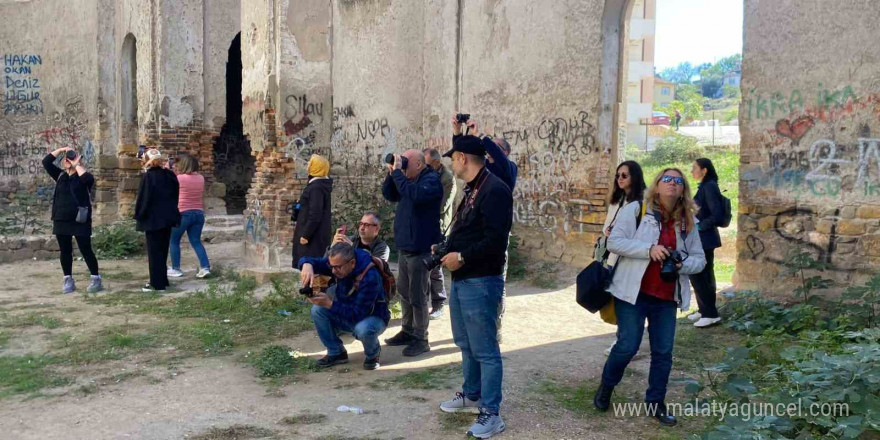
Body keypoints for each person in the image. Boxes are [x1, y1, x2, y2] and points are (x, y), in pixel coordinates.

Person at [593, 168, 706, 427]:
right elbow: (614, 242)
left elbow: (700, 260)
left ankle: (656, 403)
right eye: (667, 179)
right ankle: (606, 387)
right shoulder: (636, 210)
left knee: (663, 353)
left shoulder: (688, 221)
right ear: (657, 185)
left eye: (679, 181)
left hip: (666, 297)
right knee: (627, 346)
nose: (673, 184)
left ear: (684, 189)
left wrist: (681, 263)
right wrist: (648, 250)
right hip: (633, 293)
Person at [436, 135, 513, 439]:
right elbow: (468, 229)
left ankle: (492, 413)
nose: (451, 162)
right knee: (465, 343)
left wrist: (463, 256)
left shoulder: (494, 190)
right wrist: (445, 248)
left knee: (486, 350)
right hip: (464, 278)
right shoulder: (474, 188)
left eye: (453, 157)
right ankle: (471, 395)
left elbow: (496, 241)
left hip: (481, 279)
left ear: (463, 159)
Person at [452, 116, 518, 343]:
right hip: (473, 237)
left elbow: (494, 156)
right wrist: (460, 135)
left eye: (495, 149)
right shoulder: (485, 170)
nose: (489, 152)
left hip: (493, 235)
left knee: (494, 281)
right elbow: (466, 158)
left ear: (504, 153)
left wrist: (483, 138)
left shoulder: (508, 169)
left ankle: (495, 325)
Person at [381, 149, 443, 357]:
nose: (403, 167)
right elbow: (389, 194)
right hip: (405, 246)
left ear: (418, 164)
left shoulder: (431, 180)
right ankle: (407, 331)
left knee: (418, 295)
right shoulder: (406, 180)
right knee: (404, 292)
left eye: (407, 164)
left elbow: (415, 195)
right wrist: (392, 173)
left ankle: (421, 338)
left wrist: (399, 173)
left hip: (421, 247)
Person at [299, 242, 390, 370]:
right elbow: (315, 262)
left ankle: (372, 355)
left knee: (363, 329)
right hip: (348, 310)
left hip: (373, 317)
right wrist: (306, 264)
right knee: (317, 310)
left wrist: (329, 304)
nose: (333, 271)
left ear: (352, 263)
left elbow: (358, 314)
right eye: (331, 267)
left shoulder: (370, 276)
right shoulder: (339, 263)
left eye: (337, 267)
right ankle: (336, 353)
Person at [601, 161, 646, 356]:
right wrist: (609, 231)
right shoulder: (616, 200)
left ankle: (627, 343)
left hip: (632, 259)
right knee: (618, 301)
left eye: (624, 175)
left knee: (630, 303)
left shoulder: (643, 201)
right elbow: (606, 226)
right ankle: (623, 340)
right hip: (613, 258)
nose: (619, 179)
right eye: (618, 175)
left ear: (634, 177)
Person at [42, 147, 102, 294]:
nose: (66, 161)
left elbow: (88, 180)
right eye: (65, 159)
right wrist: (62, 150)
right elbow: (46, 162)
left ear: (79, 160)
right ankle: (68, 279)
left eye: (70, 158)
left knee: (86, 249)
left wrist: (77, 165)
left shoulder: (83, 176)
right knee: (65, 251)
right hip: (61, 219)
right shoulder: (60, 176)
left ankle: (96, 279)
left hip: (80, 220)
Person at [134, 148, 180, 292]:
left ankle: (157, 284)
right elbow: (175, 194)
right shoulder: (170, 175)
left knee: (154, 253)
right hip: (167, 218)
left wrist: (139, 214)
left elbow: (144, 198)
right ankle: (163, 280)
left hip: (153, 219)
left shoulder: (148, 177)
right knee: (163, 250)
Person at [689, 158, 725, 328]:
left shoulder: (709, 186)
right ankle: (704, 310)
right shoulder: (705, 186)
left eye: (694, 168)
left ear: (704, 170)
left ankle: (710, 313)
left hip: (705, 238)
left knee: (700, 275)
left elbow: (716, 215)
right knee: (703, 275)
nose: (691, 171)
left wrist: (698, 226)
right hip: (703, 238)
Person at [423, 147, 456, 319]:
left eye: (427, 164)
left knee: (435, 266)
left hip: (438, 227)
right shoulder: (426, 175)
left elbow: (443, 205)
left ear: (436, 162)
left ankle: (438, 304)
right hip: (423, 225)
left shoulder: (447, 178)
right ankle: (423, 303)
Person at [167, 153, 211, 279]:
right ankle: (205, 267)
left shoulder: (179, 178)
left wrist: (168, 168)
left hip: (182, 213)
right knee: (196, 241)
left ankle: (176, 268)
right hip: (198, 213)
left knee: (174, 241)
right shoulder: (201, 178)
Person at [291, 154, 333, 266]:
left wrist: (306, 235)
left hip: (313, 238)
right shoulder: (317, 184)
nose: (308, 165)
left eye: (311, 163)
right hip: (314, 235)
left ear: (316, 167)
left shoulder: (317, 188)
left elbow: (315, 214)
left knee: (310, 267)